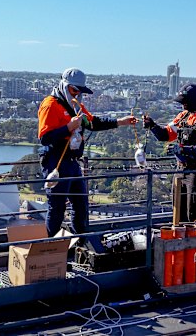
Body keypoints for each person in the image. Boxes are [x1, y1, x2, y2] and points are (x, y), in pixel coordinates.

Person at [38, 68, 137, 237]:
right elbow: (45, 138)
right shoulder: (50, 105)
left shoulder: (76, 106)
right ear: (64, 86)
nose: (76, 94)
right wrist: (68, 127)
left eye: (79, 91)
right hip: (55, 161)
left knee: (81, 204)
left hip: (71, 162)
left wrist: (120, 122)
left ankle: (80, 241)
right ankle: (48, 250)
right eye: (73, 90)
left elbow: (93, 123)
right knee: (57, 207)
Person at [143, 83, 196, 222]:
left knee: (194, 212)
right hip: (181, 169)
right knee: (178, 211)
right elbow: (166, 135)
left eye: (185, 102)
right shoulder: (184, 116)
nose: (183, 105)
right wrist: (152, 126)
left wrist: (182, 149)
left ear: (194, 101)